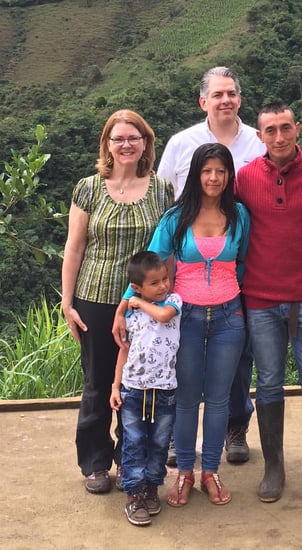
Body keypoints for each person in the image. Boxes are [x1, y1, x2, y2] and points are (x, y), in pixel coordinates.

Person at [119, 143, 250, 507]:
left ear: (228, 176)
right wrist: (124, 308)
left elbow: (243, 265)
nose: (213, 178)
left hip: (229, 316)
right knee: (188, 398)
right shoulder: (176, 217)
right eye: (206, 170)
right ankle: (185, 474)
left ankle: (211, 471)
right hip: (184, 318)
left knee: (220, 398)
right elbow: (147, 269)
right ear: (195, 174)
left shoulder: (239, 215)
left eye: (220, 171)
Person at [234, 102, 302, 505]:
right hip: (260, 301)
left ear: (298, 128)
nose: (279, 137)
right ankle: (274, 468)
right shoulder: (245, 178)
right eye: (270, 130)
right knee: (267, 383)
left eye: (285, 128)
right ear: (260, 134)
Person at [62, 110, 174, 494]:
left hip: (143, 305)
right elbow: (74, 248)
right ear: (106, 145)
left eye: (134, 137)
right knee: (97, 382)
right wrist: (67, 301)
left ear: (146, 142)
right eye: (118, 138)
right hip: (94, 298)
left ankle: (132, 456)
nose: (126, 145)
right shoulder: (89, 187)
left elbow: (167, 251)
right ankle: (95, 462)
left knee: (138, 384)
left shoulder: (161, 189)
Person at [158, 66, 265, 464]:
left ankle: (236, 426)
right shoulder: (182, 143)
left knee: (238, 360)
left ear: (240, 98)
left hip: (241, 263)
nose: (225, 100)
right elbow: (166, 198)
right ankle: (176, 439)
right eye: (217, 94)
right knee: (180, 367)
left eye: (232, 93)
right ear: (203, 100)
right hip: (186, 273)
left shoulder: (258, 142)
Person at [110, 252, 182, 526]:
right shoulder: (131, 316)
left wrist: (136, 301)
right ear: (137, 286)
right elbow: (124, 352)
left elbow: (164, 316)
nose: (163, 286)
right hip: (133, 392)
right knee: (133, 444)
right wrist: (115, 387)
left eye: (165, 278)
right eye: (155, 282)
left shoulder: (174, 301)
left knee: (159, 443)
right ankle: (134, 493)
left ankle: (152, 487)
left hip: (164, 391)